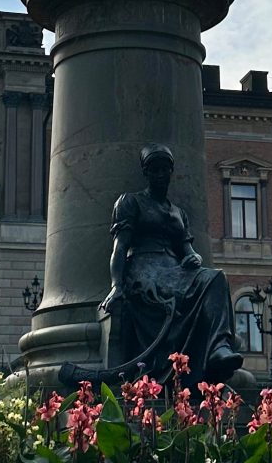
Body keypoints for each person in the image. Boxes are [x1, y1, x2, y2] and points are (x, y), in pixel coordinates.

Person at [101, 145, 241, 386]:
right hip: (144, 269)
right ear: (146, 173)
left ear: (171, 172)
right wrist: (117, 286)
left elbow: (188, 250)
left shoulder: (178, 213)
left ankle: (219, 347)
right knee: (188, 289)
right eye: (154, 170)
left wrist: (194, 258)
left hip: (175, 270)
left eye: (164, 169)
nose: (160, 175)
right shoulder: (131, 202)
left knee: (216, 276)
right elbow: (120, 247)